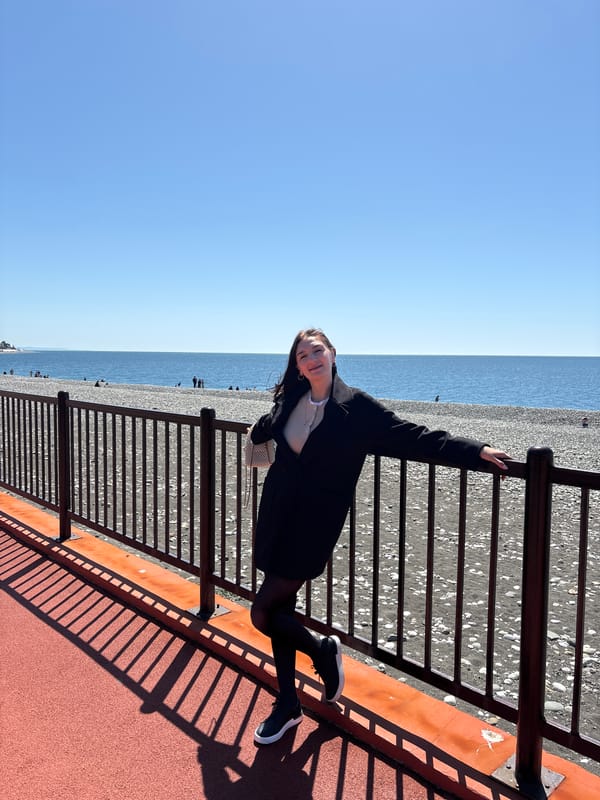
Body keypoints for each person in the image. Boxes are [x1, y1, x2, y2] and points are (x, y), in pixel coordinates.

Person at [248, 328, 510, 745]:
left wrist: (472, 449)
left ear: (333, 354)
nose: (311, 359)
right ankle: (288, 702)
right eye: (302, 354)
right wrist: (263, 427)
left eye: (317, 350)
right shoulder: (289, 400)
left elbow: (412, 434)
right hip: (277, 511)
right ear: (296, 364)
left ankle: (320, 653)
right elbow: (271, 427)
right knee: (279, 607)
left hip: (314, 522)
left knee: (263, 613)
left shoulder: (357, 408)